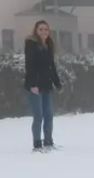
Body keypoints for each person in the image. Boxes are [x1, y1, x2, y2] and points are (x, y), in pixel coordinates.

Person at [24, 20, 61, 152]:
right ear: (36, 30)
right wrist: (32, 84)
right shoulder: (31, 44)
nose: (44, 32)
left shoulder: (49, 44)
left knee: (49, 115)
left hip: (47, 85)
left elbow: (51, 66)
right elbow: (30, 65)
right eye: (41, 29)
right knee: (38, 115)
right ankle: (37, 144)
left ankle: (48, 142)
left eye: (46, 29)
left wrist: (57, 82)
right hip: (35, 86)